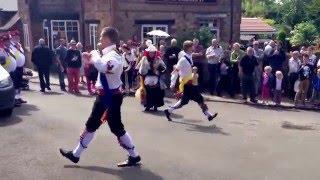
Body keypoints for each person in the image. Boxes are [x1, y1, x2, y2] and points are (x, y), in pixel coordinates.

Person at [59, 27, 141, 167]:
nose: (99, 40)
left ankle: (76, 155)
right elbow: (104, 67)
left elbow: (104, 67)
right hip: (108, 96)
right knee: (113, 127)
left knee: (97, 125)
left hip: (108, 97)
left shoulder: (113, 56)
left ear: (108, 39)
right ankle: (134, 156)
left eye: (101, 38)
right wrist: (91, 58)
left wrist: (93, 55)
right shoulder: (110, 54)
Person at [164, 40, 218, 122]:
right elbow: (175, 71)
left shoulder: (189, 56)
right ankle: (208, 115)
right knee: (197, 98)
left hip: (190, 82)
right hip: (186, 84)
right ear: (188, 48)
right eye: (192, 46)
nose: (193, 47)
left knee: (186, 101)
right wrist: (172, 83)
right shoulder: (183, 60)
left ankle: (169, 111)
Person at [137, 44, 166, 111]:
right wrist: (141, 73)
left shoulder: (158, 59)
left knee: (156, 92)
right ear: (148, 52)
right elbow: (140, 68)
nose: (151, 53)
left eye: (153, 52)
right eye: (150, 52)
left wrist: (158, 70)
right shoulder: (144, 59)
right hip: (147, 77)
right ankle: (148, 105)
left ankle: (155, 105)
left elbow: (164, 68)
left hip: (156, 78)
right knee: (147, 92)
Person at [10, 30, 27, 104]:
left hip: (20, 67)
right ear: (12, 38)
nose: (17, 38)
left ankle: (18, 97)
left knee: (19, 83)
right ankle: (14, 99)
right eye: (15, 37)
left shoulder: (19, 45)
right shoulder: (10, 46)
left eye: (18, 37)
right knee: (15, 84)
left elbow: (22, 55)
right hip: (15, 68)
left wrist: (24, 67)